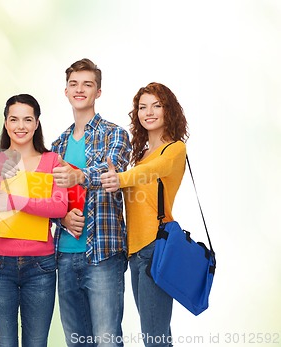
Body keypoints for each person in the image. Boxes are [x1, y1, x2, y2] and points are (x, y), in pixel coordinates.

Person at [100, 82, 189, 347]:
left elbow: (154, 170)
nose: (148, 112)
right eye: (142, 107)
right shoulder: (138, 156)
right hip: (135, 252)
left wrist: (121, 178)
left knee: (155, 337)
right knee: (154, 334)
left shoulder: (173, 149)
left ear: (168, 111)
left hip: (155, 248)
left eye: (157, 106)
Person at [51, 58, 131, 347]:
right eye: (74, 84)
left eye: (88, 84)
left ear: (98, 92)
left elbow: (114, 171)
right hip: (65, 254)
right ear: (66, 91)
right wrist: (60, 219)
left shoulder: (115, 134)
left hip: (103, 253)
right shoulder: (57, 145)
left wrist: (79, 176)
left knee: (107, 340)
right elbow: (47, 197)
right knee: (76, 342)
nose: (80, 89)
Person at [0, 94, 68, 347]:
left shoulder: (53, 161)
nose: (21, 126)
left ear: (37, 123)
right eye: (14, 119)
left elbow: (59, 207)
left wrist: (18, 201)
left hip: (40, 265)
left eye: (27, 119)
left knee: (37, 343)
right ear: (6, 123)